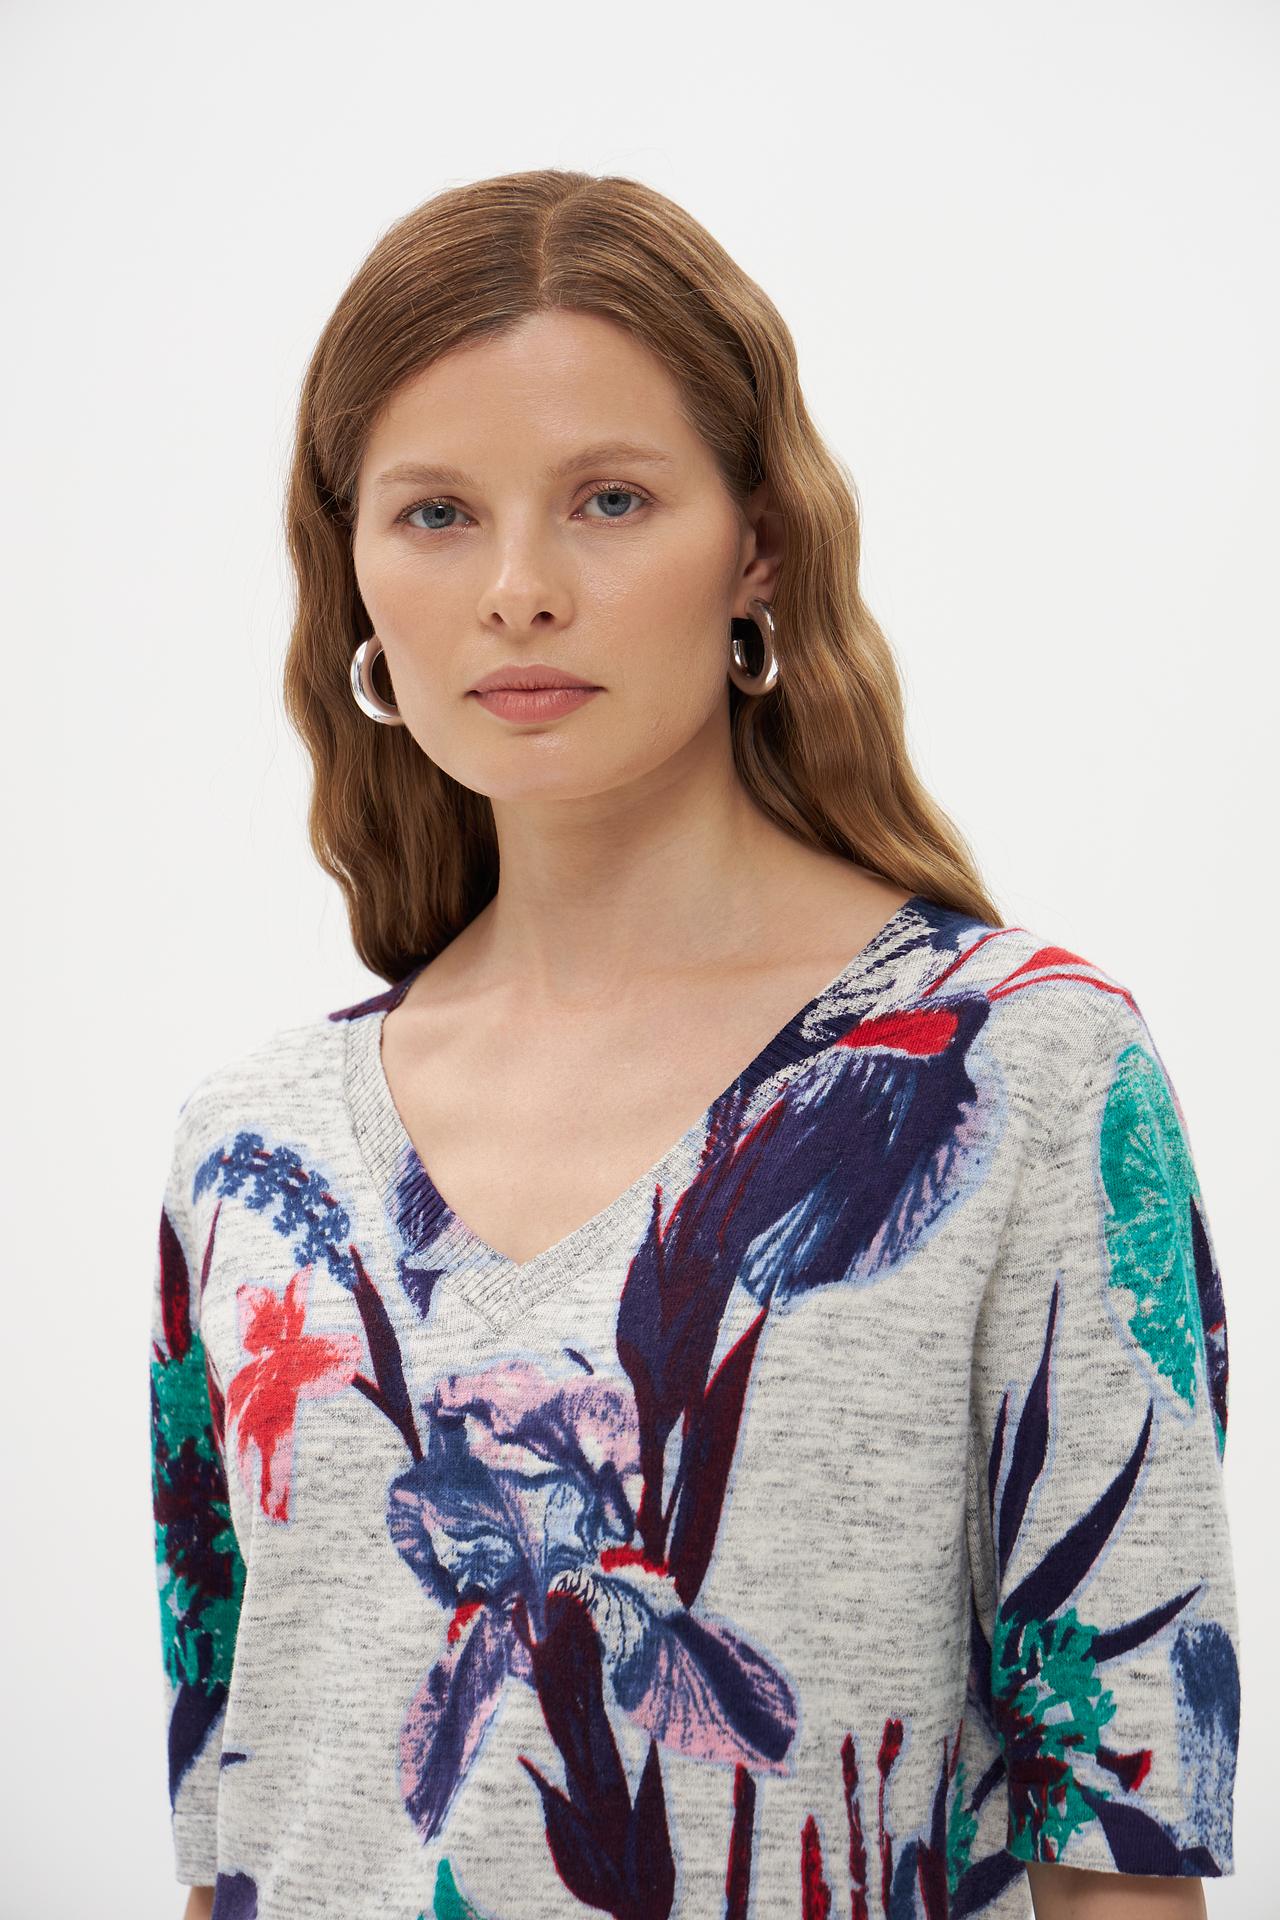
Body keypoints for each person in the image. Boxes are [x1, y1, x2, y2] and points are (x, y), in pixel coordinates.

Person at [148, 169, 1239, 1920]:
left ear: (760, 546)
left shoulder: (1017, 1068)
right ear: (350, 572)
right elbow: (238, 1821)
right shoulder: (248, 1150)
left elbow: (1121, 1831)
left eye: (610, 500)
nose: (519, 590)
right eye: (436, 514)